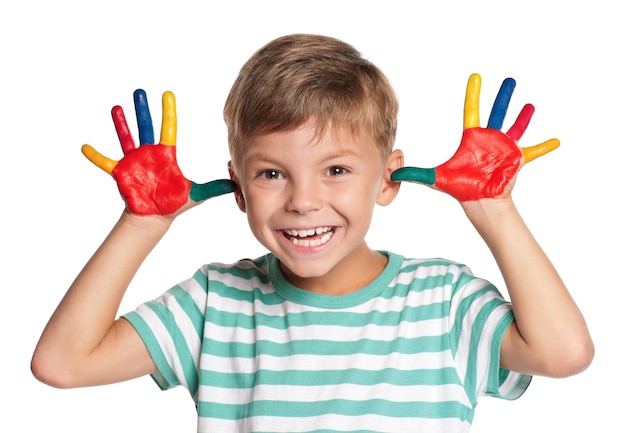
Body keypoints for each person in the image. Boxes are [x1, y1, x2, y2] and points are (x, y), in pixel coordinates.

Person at [31, 34, 593, 432]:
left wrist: (494, 209)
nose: (303, 201)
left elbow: (563, 353)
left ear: (388, 178)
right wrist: (142, 223)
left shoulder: (443, 300)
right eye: (272, 174)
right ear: (239, 187)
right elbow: (63, 363)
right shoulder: (215, 302)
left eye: (337, 170)